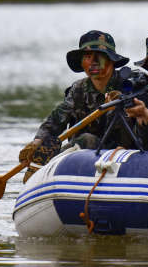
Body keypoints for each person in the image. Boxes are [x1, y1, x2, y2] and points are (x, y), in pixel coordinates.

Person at [19, 30, 133, 166]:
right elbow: (56, 119)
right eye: (88, 57)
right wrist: (37, 141)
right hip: (84, 155)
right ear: (82, 62)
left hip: (122, 151)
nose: (93, 62)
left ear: (111, 60)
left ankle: (50, 160)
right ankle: (44, 163)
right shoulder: (78, 89)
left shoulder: (130, 84)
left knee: (87, 139)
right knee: (83, 139)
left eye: (100, 56)